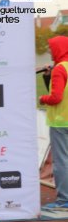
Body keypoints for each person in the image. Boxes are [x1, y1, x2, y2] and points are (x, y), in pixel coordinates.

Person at [40, 35, 68, 211]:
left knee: (61, 161)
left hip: (61, 122)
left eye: (51, 47)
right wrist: (48, 78)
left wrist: (42, 98)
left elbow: (56, 97)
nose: (49, 50)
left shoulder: (59, 69)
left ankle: (64, 200)